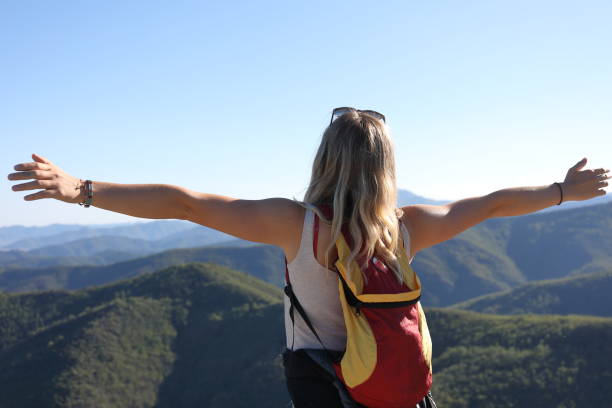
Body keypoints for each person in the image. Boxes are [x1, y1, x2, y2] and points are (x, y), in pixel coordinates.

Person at [7, 107, 610, 407]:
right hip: (396, 386)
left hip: (323, 382)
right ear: (385, 168)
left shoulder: (295, 225)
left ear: (325, 160)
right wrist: (564, 191)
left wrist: (81, 189)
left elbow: (185, 203)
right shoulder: (406, 228)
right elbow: (496, 202)